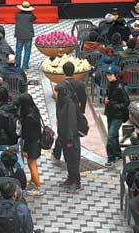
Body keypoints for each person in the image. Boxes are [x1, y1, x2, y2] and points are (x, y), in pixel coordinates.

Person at [54, 62, 87, 191]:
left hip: (71, 134)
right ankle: (70, 178)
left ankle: (76, 181)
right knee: (68, 156)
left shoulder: (68, 105)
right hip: (67, 131)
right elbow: (83, 100)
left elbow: (70, 123)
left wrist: (68, 139)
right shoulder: (78, 86)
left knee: (73, 157)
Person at [17, 93, 44, 196]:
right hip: (37, 141)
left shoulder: (28, 118)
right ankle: (33, 180)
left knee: (31, 164)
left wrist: (25, 150)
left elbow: (28, 136)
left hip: (32, 143)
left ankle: (39, 187)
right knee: (33, 163)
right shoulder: (34, 110)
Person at [104, 65, 130, 166]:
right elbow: (109, 97)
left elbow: (126, 102)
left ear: (115, 75)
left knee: (110, 137)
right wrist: (106, 100)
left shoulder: (119, 87)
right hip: (110, 114)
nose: (108, 77)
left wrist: (115, 106)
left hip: (117, 116)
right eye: (107, 74)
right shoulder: (110, 84)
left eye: (110, 75)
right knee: (114, 135)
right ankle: (118, 153)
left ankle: (111, 158)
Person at [14, 1, 35, 70]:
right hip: (28, 35)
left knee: (18, 50)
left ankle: (17, 64)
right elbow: (34, 19)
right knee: (27, 51)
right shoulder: (31, 16)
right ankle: (25, 65)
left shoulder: (17, 15)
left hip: (19, 35)